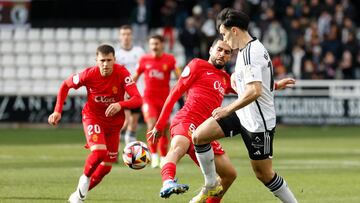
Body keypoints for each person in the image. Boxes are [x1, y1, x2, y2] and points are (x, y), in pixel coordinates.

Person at [149, 38, 296, 203]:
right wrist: (159, 125)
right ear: (211, 50)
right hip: (187, 120)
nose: (222, 55)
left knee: (229, 175)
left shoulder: (226, 79)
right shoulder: (197, 65)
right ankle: (168, 182)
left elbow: (251, 89)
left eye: (227, 52)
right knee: (178, 148)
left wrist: (275, 85)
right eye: (219, 50)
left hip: (206, 131)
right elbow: (175, 93)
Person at [191, 8, 298, 203]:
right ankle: (211, 186)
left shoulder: (250, 53)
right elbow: (256, 82)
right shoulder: (249, 50)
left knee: (264, 174)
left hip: (259, 123)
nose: (223, 38)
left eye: (223, 33)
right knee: (199, 136)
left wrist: (226, 109)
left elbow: (254, 91)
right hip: (243, 114)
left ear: (234, 30)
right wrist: (269, 84)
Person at [48, 44, 142, 203]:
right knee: (99, 153)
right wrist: (57, 110)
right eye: (102, 60)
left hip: (114, 124)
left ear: (114, 60)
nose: (105, 64)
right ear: (96, 61)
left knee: (106, 168)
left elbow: (137, 99)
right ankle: (84, 179)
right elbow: (65, 85)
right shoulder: (88, 74)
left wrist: (120, 104)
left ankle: (78, 195)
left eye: (109, 60)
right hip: (93, 117)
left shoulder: (122, 73)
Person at [132, 34, 181, 168]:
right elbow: (134, 77)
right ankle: (153, 156)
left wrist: (185, 91)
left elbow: (180, 78)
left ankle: (164, 156)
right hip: (149, 99)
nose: (154, 46)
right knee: (152, 124)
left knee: (164, 128)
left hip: (165, 100)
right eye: (152, 44)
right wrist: (127, 91)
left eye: (156, 44)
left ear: (162, 45)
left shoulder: (170, 60)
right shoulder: (144, 60)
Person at [115, 25, 145, 145]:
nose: (126, 37)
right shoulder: (116, 54)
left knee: (133, 124)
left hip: (138, 91)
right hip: (123, 92)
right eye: (123, 34)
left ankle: (130, 151)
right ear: (120, 37)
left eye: (128, 34)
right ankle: (113, 149)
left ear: (131, 36)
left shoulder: (140, 52)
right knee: (125, 122)